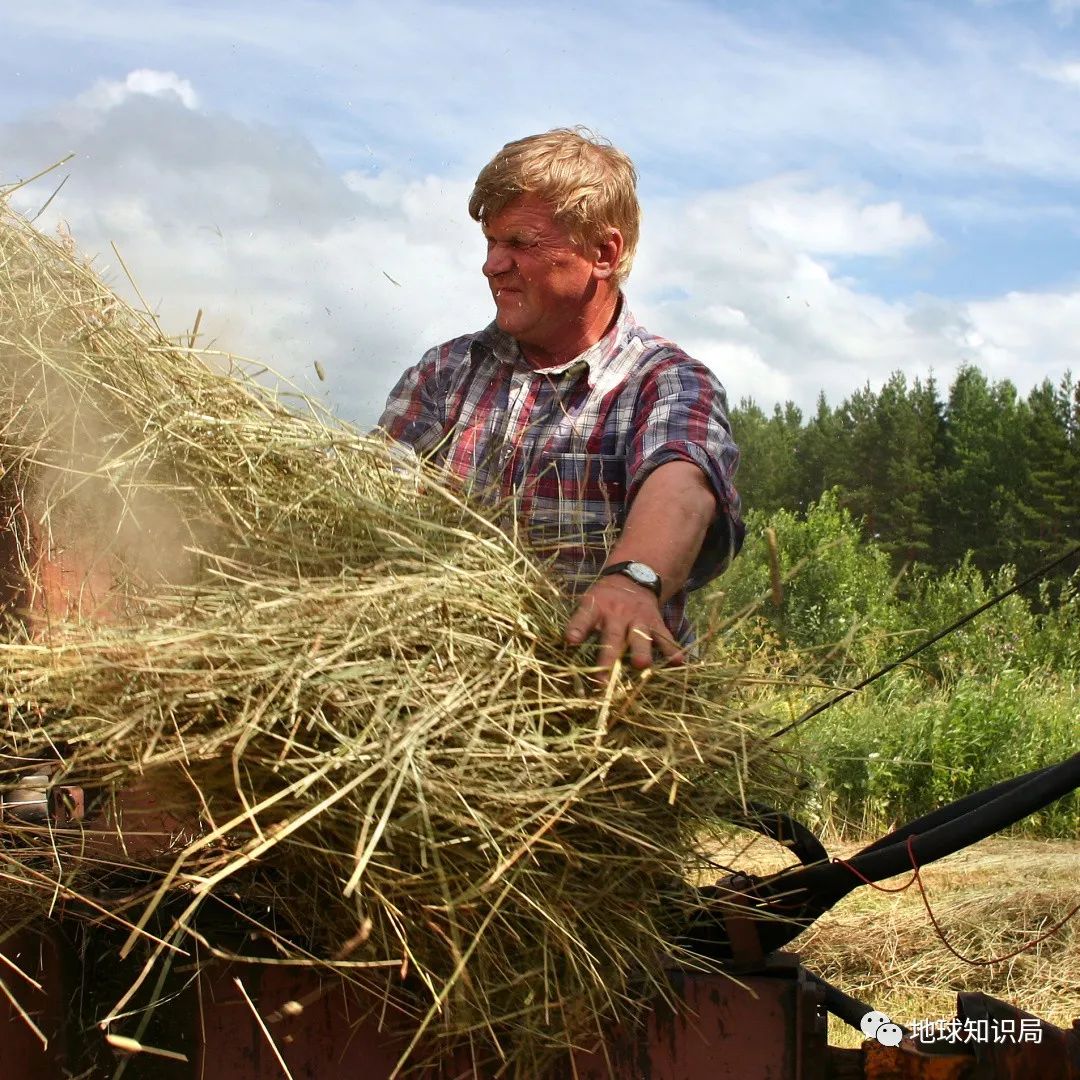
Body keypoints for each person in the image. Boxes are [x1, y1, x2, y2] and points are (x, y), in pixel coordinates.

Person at [378, 128, 743, 681]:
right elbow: (376, 486)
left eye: (521, 244)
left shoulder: (663, 382)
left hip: (599, 717)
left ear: (603, 252)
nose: (492, 265)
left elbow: (682, 477)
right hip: (434, 687)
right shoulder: (445, 374)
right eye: (490, 243)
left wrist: (632, 579)